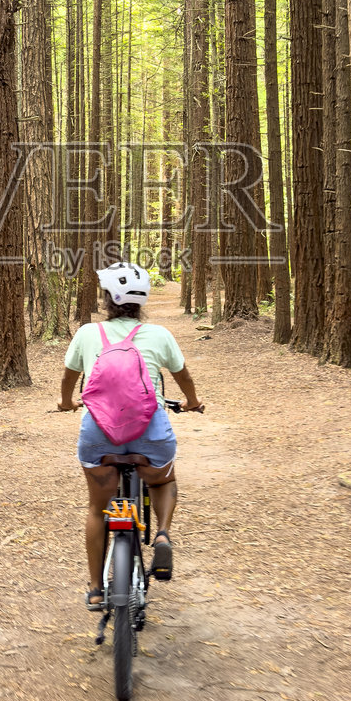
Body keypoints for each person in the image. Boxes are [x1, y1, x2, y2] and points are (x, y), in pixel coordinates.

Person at [57, 262, 204, 612]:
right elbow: (183, 378)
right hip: (150, 431)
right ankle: (163, 534)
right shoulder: (159, 335)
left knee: (97, 507)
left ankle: (95, 589)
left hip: (99, 435)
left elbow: (68, 379)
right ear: (142, 300)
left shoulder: (88, 333)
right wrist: (193, 402)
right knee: (163, 479)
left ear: (107, 298)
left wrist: (66, 403)